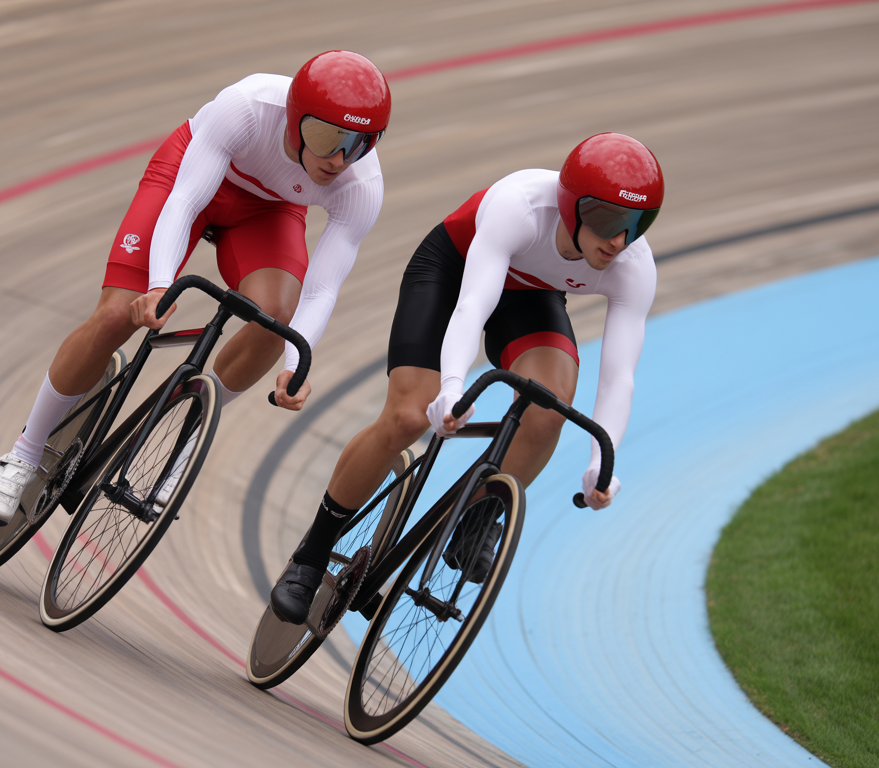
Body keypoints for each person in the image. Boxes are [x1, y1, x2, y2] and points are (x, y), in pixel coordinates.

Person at [0, 51, 391, 524]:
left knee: (276, 319)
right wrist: (158, 286)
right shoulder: (248, 106)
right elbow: (186, 201)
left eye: (360, 143)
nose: (339, 159)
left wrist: (296, 366)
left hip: (267, 211)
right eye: (326, 138)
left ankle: (188, 438)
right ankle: (24, 453)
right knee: (117, 314)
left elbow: (321, 290)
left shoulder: (362, 185)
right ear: (294, 120)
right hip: (189, 177)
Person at [269, 133, 663, 623]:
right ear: (571, 206)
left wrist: (602, 462)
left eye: (637, 223)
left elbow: (618, 378)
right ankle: (311, 555)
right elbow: (472, 307)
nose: (619, 240)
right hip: (452, 271)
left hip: (531, 296)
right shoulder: (521, 206)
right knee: (409, 416)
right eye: (607, 220)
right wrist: (452, 388)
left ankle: (479, 516)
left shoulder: (633, 265)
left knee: (549, 407)